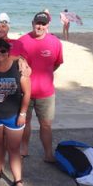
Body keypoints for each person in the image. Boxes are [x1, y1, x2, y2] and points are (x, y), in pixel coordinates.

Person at [0, 39, 31, 186]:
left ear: (8, 52)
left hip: (14, 115)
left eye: (3, 51)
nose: (0, 54)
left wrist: (23, 113)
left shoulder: (18, 68)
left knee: (14, 149)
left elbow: (27, 93)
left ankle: (18, 180)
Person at [18, 11, 63, 162]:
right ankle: (24, 148)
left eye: (43, 24)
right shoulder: (22, 41)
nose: (40, 26)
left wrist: (44, 74)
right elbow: (17, 62)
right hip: (25, 91)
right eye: (37, 23)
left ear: (48, 25)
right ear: (32, 23)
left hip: (46, 93)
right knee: (25, 122)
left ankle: (48, 154)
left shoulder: (55, 42)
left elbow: (56, 63)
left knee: (46, 125)